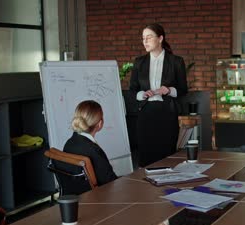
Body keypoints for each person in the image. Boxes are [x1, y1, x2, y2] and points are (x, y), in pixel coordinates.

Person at [129, 23, 188, 167]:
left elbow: (183, 89)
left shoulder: (176, 61)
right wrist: (142, 94)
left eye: (149, 37)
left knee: (167, 156)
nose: (145, 41)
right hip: (145, 113)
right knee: (146, 157)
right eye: (143, 38)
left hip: (167, 113)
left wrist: (169, 90)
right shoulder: (139, 62)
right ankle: (145, 188)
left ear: (160, 38)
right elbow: (132, 89)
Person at [63, 100, 117, 188]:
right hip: (99, 195)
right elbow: (110, 181)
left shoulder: (69, 143)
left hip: (78, 192)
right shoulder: (94, 150)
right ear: (100, 124)